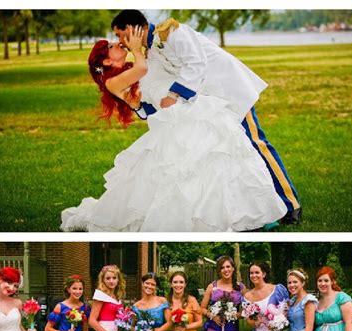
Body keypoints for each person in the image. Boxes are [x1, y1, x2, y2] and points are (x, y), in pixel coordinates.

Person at [60, 24, 287, 232]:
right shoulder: (114, 81)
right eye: (111, 45)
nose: (117, 43)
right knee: (187, 169)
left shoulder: (136, 65)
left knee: (219, 159)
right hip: (175, 116)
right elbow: (141, 71)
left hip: (183, 110)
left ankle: (246, 213)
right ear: (107, 61)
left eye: (117, 38)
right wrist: (137, 48)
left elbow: (151, 92)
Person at [111, 10, 301, 224]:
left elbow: (196, 63)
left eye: (119, 34)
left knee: (257, 143)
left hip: (230, 91)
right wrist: (141, 107)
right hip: (210, 104)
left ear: (132, 28)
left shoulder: (173, 32)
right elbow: (154, 89)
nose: (120, 41)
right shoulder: (152, 51)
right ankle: (258, 208)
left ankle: (291, 204)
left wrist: (174, 95)